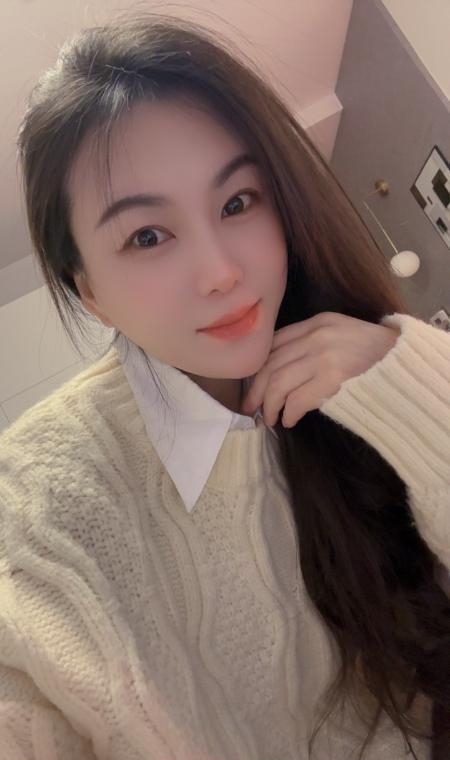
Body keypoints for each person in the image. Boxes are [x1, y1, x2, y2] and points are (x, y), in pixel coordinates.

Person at [0, 9, 449, 760]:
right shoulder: (35, 515)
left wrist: (406, 383)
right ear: (92, 294)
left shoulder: (364, 373)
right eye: (147, 236)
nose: (221, 272)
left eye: (238, 201)